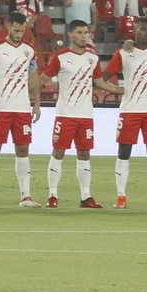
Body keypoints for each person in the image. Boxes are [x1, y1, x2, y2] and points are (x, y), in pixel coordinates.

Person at [38, 19, 113, 208]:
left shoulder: (92, 58)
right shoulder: (60, 57)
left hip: (86, 114)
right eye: (79, 32)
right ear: (70, 34)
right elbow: (43, 79)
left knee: (84, 153)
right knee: (59, 152)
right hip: (65, 113)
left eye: (86, 32)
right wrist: (27, 91)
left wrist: (124, 91)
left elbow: (100, 83)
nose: (84, 36)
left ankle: (86, 197)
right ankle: (53, 195)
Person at [102, 15, 147, 210]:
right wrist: (118, 90)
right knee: (124, 152)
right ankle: (121, 196)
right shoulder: (124, 53)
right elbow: (103, 78)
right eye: (143, 29)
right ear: (134, 31)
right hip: (130, 110)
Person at [0, 12, 41, 208]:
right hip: (2, 108)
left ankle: (26, 196)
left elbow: (33, 76)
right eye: (16, 30)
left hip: (22, 108)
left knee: (23, 149)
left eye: (22, 31)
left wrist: (36, 103)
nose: (19, 33)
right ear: (8, 26)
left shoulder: (29, 50)